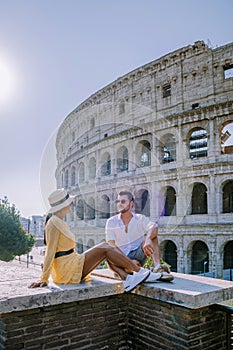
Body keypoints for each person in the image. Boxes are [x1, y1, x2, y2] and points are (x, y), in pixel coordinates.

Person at [28, 188, 163, 293]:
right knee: (106, 246)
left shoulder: (58, 221)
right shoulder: (53, 223)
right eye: (69, 203)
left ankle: (129, 279)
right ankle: (140, 273)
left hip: (70, 264)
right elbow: (50, 251)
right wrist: (44, 278)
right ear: (63, 205)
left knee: (107, 250)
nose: (71, 205)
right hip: (66, 270)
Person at [105, 190, 174, 282]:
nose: (119, 204)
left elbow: (154, 226)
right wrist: (129, 262)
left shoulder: (140, 218)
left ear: (131, 203)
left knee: (153, 236)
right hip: (121, 257)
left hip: (138, 254)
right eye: (118, 201)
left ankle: (157, 267)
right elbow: (112, 245)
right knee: (108, 252)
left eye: (123, 201)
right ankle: (133, 269)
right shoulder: (111, 222)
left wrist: (148, 238)